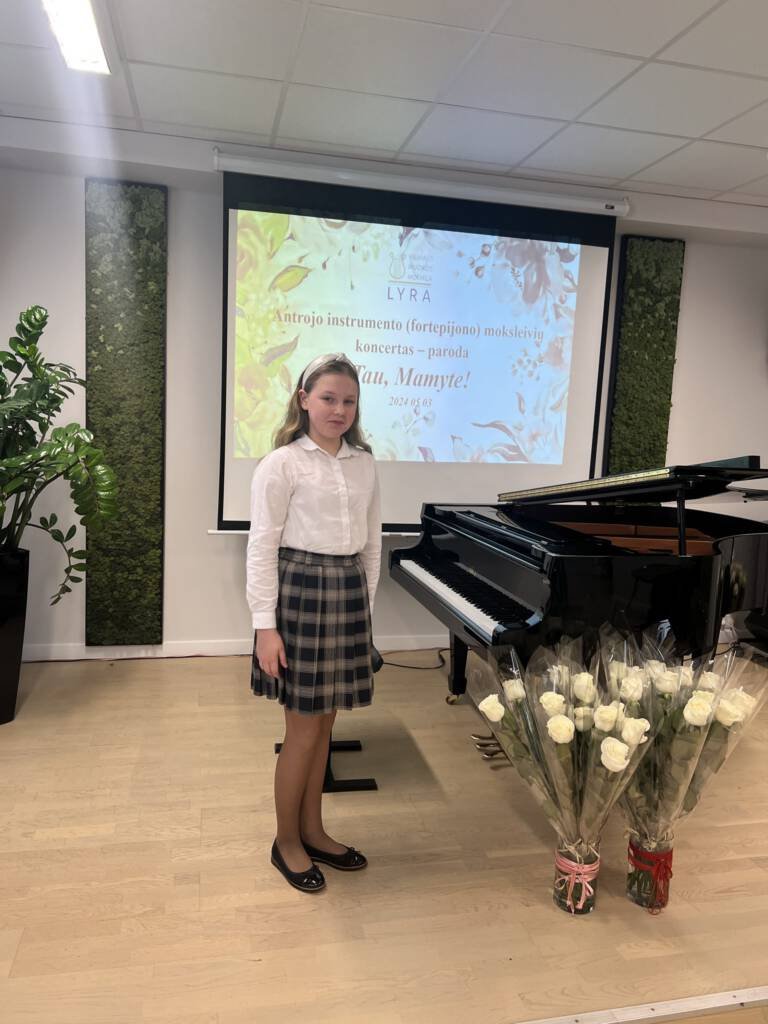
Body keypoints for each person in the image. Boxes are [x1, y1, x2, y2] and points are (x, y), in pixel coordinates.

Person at [246, 353, 381, 893]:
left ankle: (313, 830)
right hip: (300, 593)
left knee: (325, 725)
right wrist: (265, 626)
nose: (338, 410)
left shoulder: (364, 463)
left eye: (348, 401)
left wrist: (365, 612)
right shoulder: (281, 464)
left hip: (346, 593)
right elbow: (261, 547)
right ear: (304, 399)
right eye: (328, 398)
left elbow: (372, 545)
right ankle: (286, 842)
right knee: (301, 730)